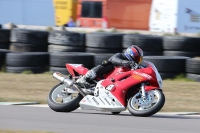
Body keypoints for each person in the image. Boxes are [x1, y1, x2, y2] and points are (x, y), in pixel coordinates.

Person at [76, 45, 144, 85]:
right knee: (109, 63)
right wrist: (128, 63)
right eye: (137, 58)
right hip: (103, 75)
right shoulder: (120, 55)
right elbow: (114, 59)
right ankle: (85, 78)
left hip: (112, 81)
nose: (138, 61)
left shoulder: (131, 66)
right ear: (131, 54)